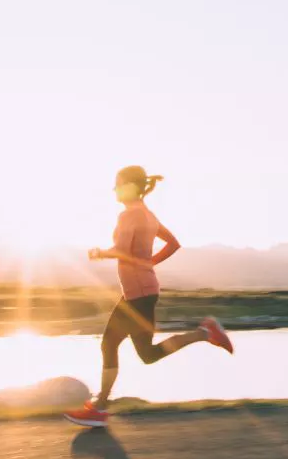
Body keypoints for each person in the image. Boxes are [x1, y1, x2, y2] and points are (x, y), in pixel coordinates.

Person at [64, 165, 233, 428]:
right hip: (142, 291)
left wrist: (99, 253)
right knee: (146, 354)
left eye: (118, 184)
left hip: (138, 294)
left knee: (109, 344)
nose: (114, 189)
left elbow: (121, 251)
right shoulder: (148, 215)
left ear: (131, 186)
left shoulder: (129, 216)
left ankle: (100, 408)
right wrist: (148, 263)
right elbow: (173, 244)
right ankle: (204, 332)